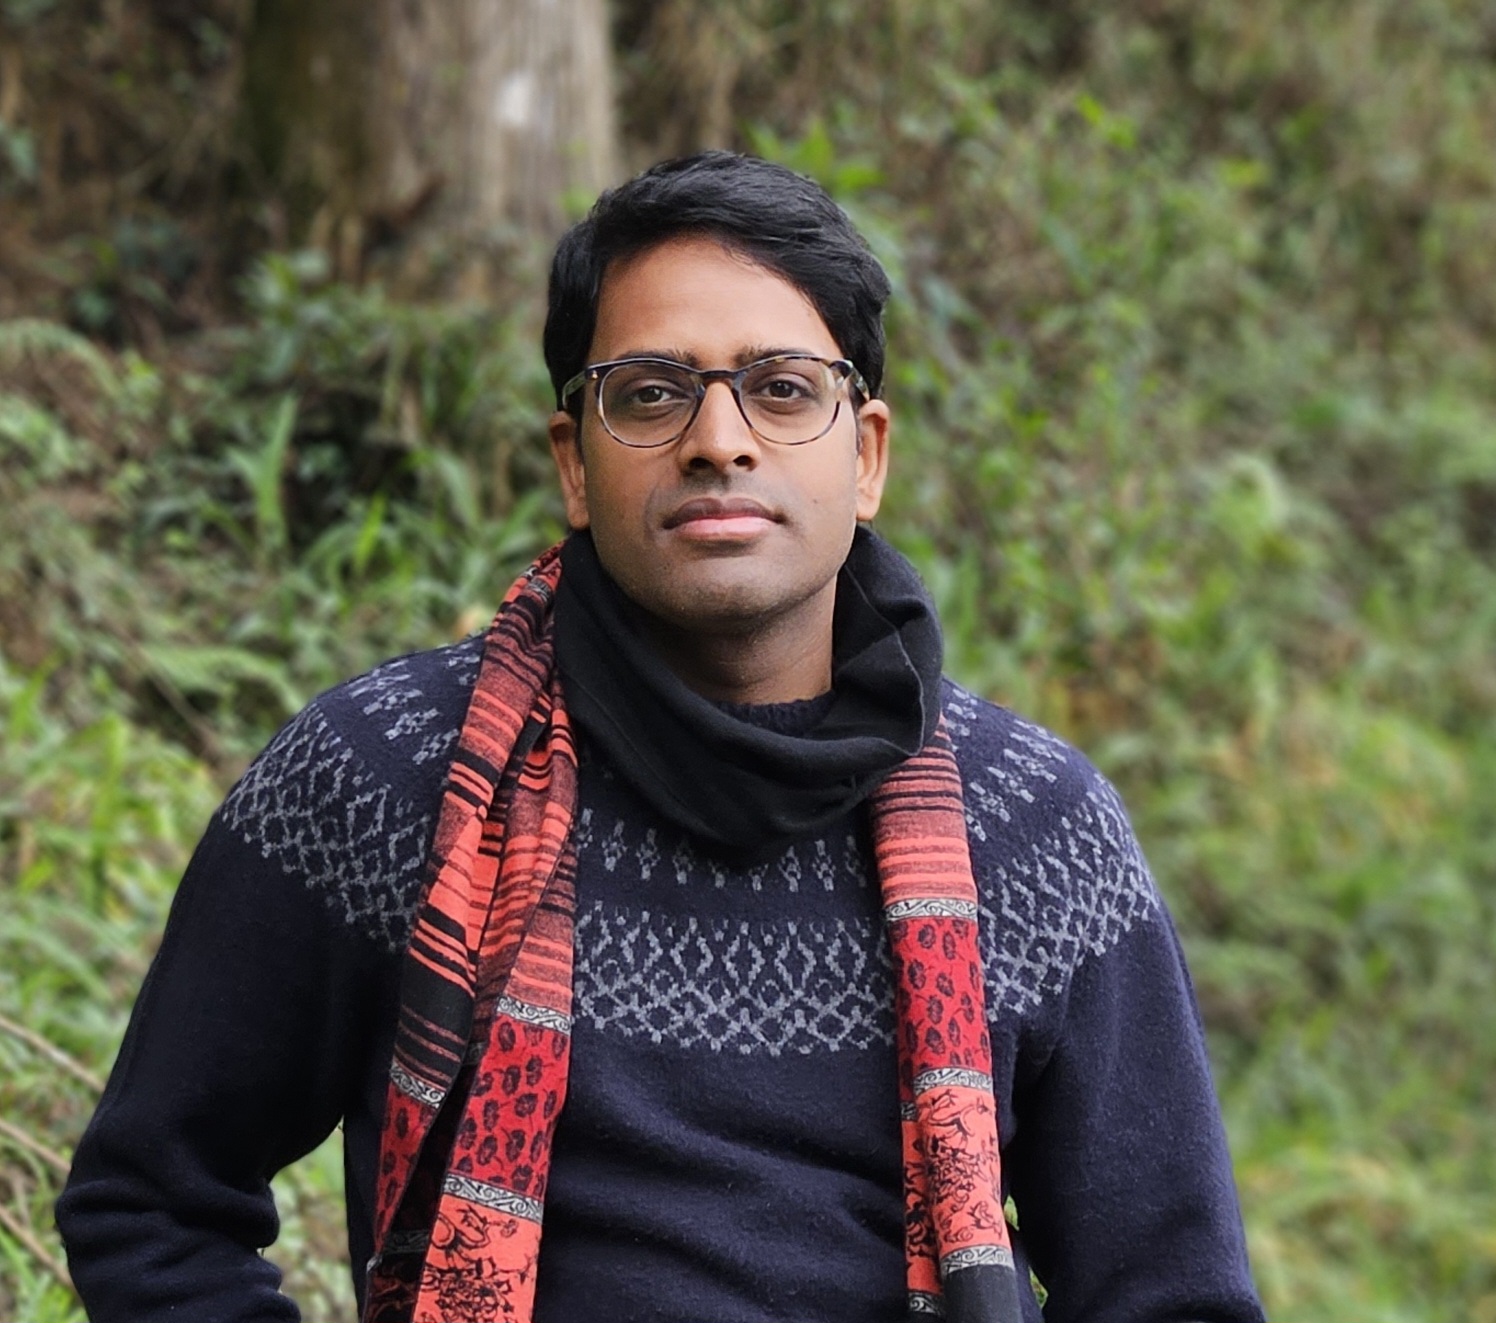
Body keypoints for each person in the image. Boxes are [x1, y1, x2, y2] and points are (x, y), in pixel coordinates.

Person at [57, 151, 1265, 1323]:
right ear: (574, 465)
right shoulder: (386, 776)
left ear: (866, 456)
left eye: (781, 389)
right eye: (649, 392)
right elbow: (152, 1202)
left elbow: (1169, 1294)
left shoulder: (1038, 829)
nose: (718, 440)